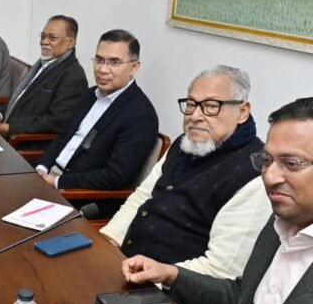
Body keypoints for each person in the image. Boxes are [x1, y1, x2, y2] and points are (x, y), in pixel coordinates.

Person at [122, 97, 313, 304]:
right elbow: (243, 296)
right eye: (267, 160)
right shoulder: (281, 222)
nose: (269, 177)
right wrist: (171, 274)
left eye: (291, 163)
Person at [102, 65, 270, 280]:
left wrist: (156, 276)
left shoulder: (255, 173)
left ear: (242, 112)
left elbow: (220, 271)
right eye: (191, 105)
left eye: (211, 106)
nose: (195, 116)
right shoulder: (185, 143)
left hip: (170, 289)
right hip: (125, 263)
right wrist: (108, 242)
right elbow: (141, 198)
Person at [36, 29, 158, 191]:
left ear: (134, 67)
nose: (103, 69)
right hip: (49, 176)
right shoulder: (90, 95)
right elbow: (63, 137)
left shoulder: (140, 115)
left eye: (114, 62)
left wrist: (58, 182)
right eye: (99, 60)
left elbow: (115, 176)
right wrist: (41, 167)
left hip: (77, 194)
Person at [0, 15, 88, 137]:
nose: (44, 42)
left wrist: (11, 128)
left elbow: (56, 121)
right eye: (43, 36)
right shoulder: (43, 64)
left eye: (52, 38)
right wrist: (0, 115)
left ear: (71, 42)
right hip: (8, 130)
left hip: (27, 142)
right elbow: (20, 98)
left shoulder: (73, 76)